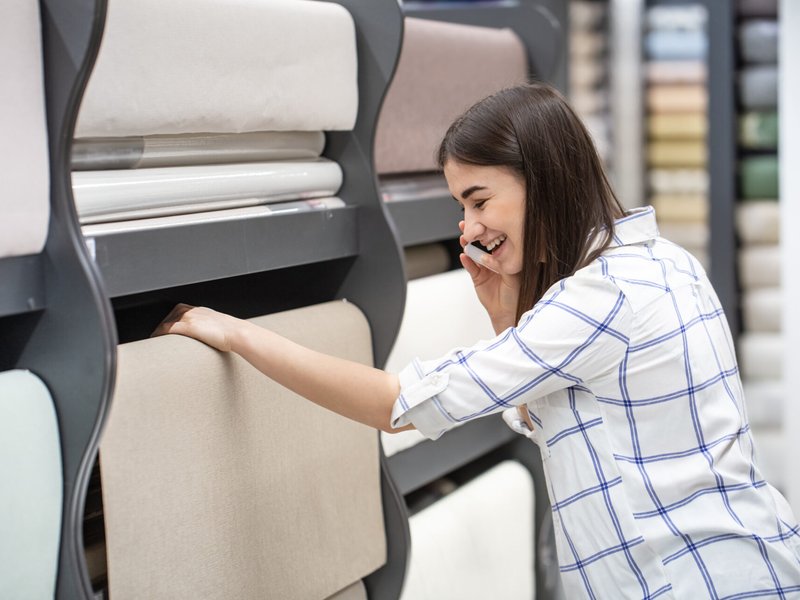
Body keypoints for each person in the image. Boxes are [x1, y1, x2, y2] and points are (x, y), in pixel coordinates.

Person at [155, 83, 800, 598]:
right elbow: (572, 417)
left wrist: (236, 332)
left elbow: (397, 405)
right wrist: (503, 318)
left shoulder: (597, 302)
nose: (469, 228)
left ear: (543, 180)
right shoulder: (665, 263)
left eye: (479, 199)